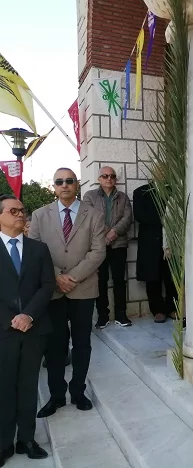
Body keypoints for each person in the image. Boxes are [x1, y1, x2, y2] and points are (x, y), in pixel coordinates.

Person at [31, 168, 106, 418]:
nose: (64, 185)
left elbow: (98, 251)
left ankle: (78, 391)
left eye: (69, 181)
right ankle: (56, 395)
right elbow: (34, 251)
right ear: (54, 186)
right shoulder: (40, 215)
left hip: (83, 289)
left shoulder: (93, 214)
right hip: (52, 291)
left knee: (82, 343)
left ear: (77, 184)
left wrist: (72, 277)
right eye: (59, 181)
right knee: (55, 346)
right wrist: (56, 277)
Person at [0, 195, 55, 464]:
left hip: (34, 328)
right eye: (13, 211)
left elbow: (47, 285)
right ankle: (4, 443)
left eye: (22, 210)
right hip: (3, 330)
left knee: (28, 385)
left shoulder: (39, 249)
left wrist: (28, 315)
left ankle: (27, 439)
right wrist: (11, 319)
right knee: (4, 387)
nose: (21, 214)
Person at [83, 166, 133, 328]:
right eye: (105, 176)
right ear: (99, 179)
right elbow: (89, 217)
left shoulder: (123, 197)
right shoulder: (90, 196)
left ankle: (121, 314)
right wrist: (107, 233)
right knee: (101, 281)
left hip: (119, 244)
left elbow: (128, 218)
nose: (109, 179)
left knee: (119, 280)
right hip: (98, 245)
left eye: (112, 176)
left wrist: (114, 232)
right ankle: (102, 316)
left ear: (115, 179)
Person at [133, 178, 177, 323]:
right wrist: (165, 218)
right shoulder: (141, 192)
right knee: (152, 277)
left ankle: (172, 307)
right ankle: (157, 310)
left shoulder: (174, 190)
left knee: (171, 276)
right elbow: (140, 215)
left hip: (171, 240)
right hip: (150, 241)